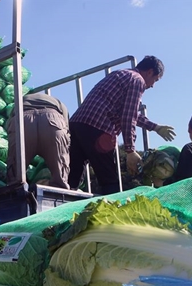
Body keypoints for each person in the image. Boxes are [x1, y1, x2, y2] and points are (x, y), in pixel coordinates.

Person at [67, 55, 176, 194]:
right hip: (98, 127)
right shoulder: (138, 81)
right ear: (149, 72)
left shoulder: (121, 74)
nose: (153, 85)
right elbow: (128, 116)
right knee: (110, 181)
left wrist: (155, 127)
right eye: (155, 79)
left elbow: (125, 110)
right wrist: (130, 150)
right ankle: (109, 213)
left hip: (77, 124)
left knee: (72, 177)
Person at [6, 92, 71, 189]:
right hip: (52, 120)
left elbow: (9, 126)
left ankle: (18, 193)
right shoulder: (59, 103)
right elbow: (66, 130)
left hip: (22, 120)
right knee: (60, 175)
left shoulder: (19, 102)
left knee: (15, 176)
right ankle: (58, 194)